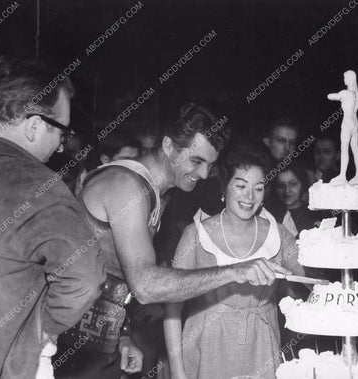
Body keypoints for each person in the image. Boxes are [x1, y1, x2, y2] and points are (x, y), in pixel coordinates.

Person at [54, 103, 291, 378]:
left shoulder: (154, 193)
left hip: (96, 343)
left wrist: (122, 335)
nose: (203, 174)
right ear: (168, 145)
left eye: (210, 165)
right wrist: (234, 271)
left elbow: (114, 277)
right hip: (69, 344)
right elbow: (145, 286)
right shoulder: (125, 186)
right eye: (196, 161)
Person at [0, 56, 105, 379]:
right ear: (35, 125)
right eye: (62, 132)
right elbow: (86, 279)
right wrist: (39, 328)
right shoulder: (41, 189)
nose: (59, 146)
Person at [164, 144, 304, 379]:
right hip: (207, 344)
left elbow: (311, 278)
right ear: (225, 187)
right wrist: (178, 372)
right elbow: (172, 307)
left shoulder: (278, 234)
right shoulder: (196, 234)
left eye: (258, 188)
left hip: (262, 346)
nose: (249, 197)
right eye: (240, 186)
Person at [328, 70, 358, 185]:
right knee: (355, 149)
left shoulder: (345, 93)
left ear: (349, 78)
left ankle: (342, 176)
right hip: (355, 122)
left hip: (347, 120)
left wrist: (335, 95)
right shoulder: (357, 94)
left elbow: (331, 97)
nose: (344, 79)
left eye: (345, 77)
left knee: (344, 148)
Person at [272, 163, 321, 236]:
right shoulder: (270, 215)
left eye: (293, 184)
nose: (287, 190)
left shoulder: (313, 215)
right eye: (281, 185)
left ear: (302, 184)